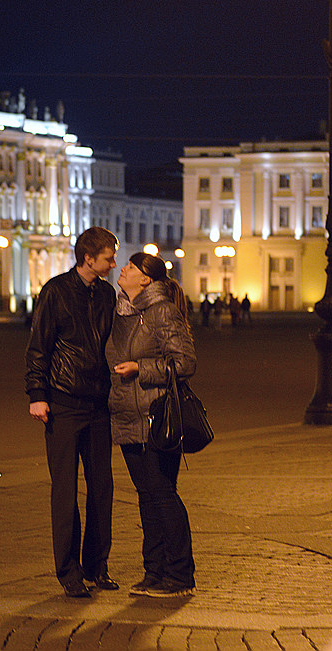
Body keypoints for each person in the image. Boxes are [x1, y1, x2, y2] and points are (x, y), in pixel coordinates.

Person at [25, 226, 119, 598]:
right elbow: (38, 347)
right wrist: (37, 394)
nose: (113, 263)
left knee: (102, 490)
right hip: (62, 403)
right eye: (108, 258)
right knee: (65, 492)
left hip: (98, 404)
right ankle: (69, 571)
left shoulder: (107, 294)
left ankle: (97, 566)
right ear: (88, 258)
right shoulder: (56, 291)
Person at [106, 251, 197, 598]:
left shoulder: (161, 311)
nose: (123, 270)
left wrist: (140, 369)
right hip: (128, 417)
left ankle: (180, 574)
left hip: (156, 416)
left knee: (162, 494)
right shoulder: (120, 313)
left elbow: (184, 362)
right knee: (147, 497)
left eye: (130, 267)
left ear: (146, 279)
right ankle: (154, 572)